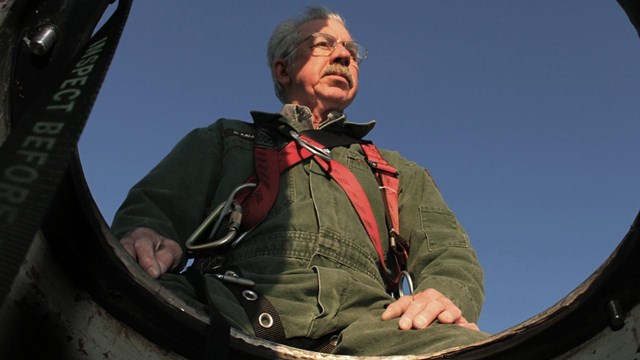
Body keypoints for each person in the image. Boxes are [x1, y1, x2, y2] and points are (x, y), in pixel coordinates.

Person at [111, 6, 489, 356]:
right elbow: (157, 207)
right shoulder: (226, 140)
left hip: (374, 326)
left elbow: (449, 253)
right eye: (324, 44)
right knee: (128, 306)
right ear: (283, 69)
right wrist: (146, 236)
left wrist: (445, 294)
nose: (345, 57)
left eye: (352, 52)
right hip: (227, 302)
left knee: (479, 349)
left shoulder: (395, 170)